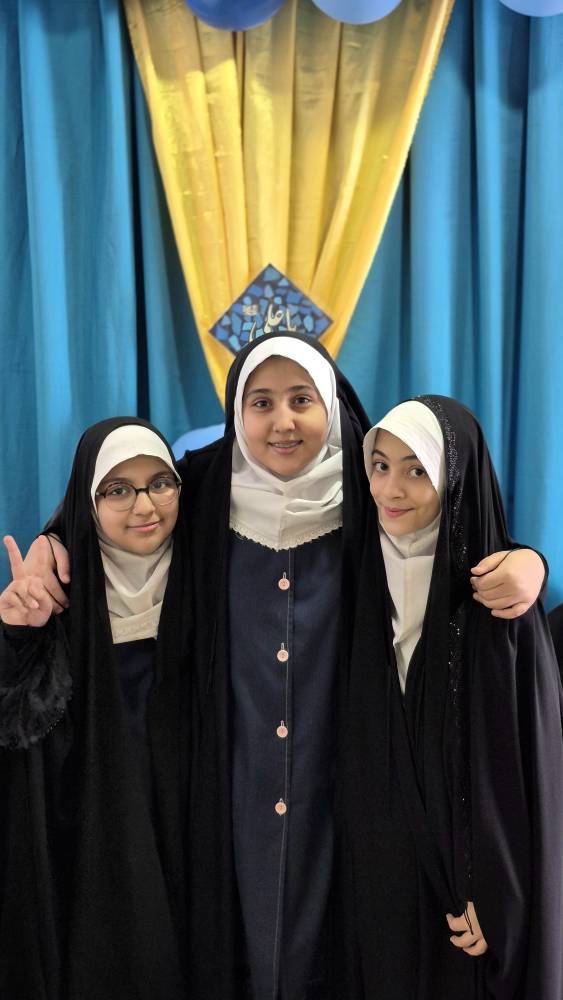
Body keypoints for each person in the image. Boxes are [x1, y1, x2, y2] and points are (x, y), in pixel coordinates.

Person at [18, 337, 547, 1000]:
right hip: (226, 788)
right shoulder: (203, 487)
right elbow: (113, 508)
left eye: (301, 400)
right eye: (261, 403)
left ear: (331, 405)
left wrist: (529, 561)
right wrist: (52, 541)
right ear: (237, 411)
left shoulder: (371, 489)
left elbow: (457, 521)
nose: (282, 422)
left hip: (348, 790)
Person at [340, 396, 563, 999]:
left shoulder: (499, 604)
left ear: (455, 479)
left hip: (468, 908)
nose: (391, 489)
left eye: (417, 470)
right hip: (376, 894)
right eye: (380, 465)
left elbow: (524, 772)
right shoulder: (353, 581)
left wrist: (499, 894)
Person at [0, 418, 190, 1000]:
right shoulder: (57, 596)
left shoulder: (209, 579)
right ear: (88, 501)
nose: (145, 506)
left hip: (195, 831)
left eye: (161, 483)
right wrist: (17, 636)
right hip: (97, 841)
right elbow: (18, 727)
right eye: (117, 490)